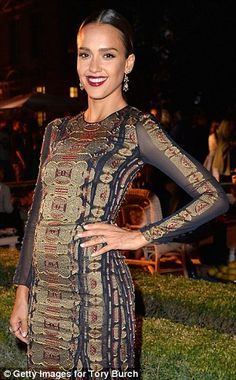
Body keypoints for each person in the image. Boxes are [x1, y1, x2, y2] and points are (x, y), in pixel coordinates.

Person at [10, 8, 229, 378]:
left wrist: (140, 235)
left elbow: (214, 197)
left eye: (107, 54)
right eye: (85, 54)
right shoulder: (57, 130)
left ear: (127, 64)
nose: (94, 66)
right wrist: (22, 293)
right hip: (46, 302)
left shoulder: (136, 127)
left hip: (98, 297)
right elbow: (37, 216)